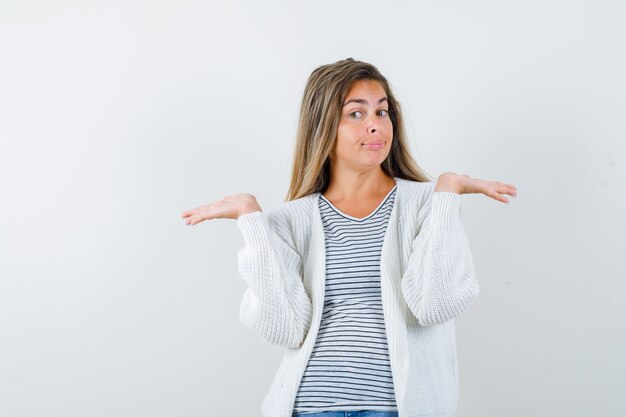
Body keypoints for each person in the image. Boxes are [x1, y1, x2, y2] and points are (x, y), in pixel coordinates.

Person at [181, 58, 517, 417]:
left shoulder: (427, 204)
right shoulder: (292, 220)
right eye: (356, 114)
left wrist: (447, 190)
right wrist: (253, 221)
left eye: (382, 112)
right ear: (323, 126)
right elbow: (285, 327)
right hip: (309, 406)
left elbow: (433, 305)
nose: (375, 126)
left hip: (396, 408)